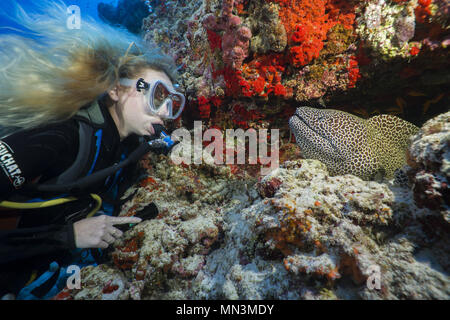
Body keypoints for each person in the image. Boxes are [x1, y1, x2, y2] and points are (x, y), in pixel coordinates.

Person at [0, 2, 185, 299]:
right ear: (115, 88)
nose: (164, 112)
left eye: (173, 103)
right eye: (157, 95)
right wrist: (68, 236)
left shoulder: (131, 145)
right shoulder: (60, 136)